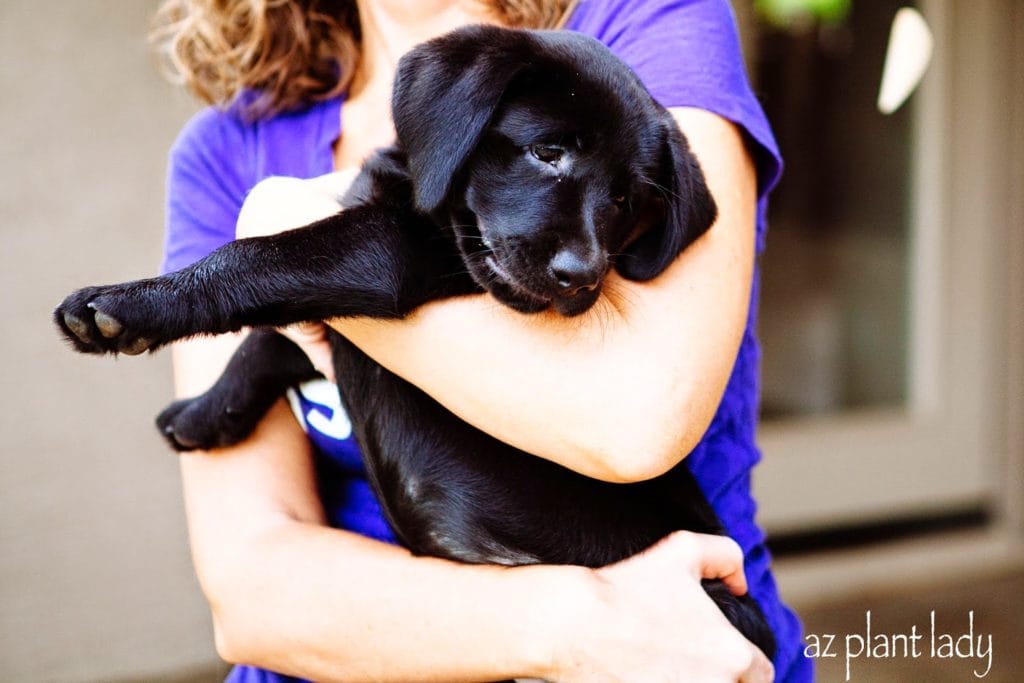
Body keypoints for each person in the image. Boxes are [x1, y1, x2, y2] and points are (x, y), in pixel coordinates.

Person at [153, 0, 809, 680]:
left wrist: (304, 254)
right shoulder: (231, 150)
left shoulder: (640, 29)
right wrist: (581, 625)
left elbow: (640, 415)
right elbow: (254, 595)